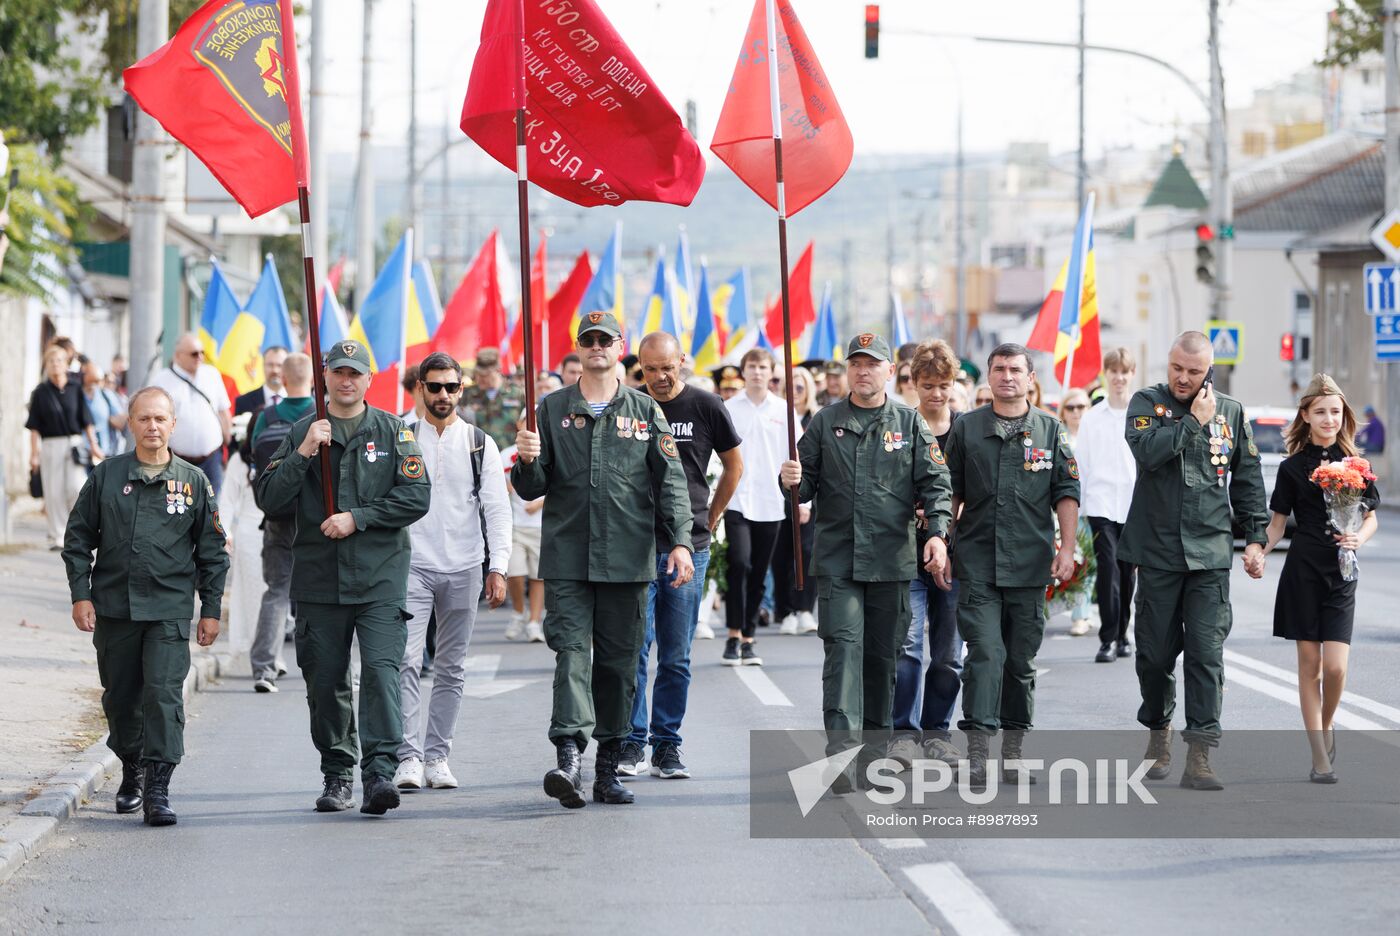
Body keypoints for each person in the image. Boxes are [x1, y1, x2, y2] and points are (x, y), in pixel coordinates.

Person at [512, 311, 693, 808]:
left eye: (605, 340)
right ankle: (568, 753)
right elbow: (533, 486)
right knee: (572, 652)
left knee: (618, 664)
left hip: (627, 557)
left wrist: (680, 541)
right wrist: (526, 459)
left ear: (620, 348)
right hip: (568, 557)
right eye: (587, 340)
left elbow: (670, 481)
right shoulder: (551, 409)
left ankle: (608, 766)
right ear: (578, 348)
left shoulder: (644, 410)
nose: (596, 347)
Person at [255, 339, 431, 816]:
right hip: (320, 578)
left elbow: (416, 497)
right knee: (325, 680)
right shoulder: (301, 432)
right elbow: (269, 498)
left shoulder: (394, 432)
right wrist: (305, 453)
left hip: (379, 577)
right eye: (338, 372)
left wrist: (359, 517)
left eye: (356, 372)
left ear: (369, 379)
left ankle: (378, 772)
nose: (347, 380)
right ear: (324, 377)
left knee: (379, 673)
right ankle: (337, 774)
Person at [780, 333, 951, 791]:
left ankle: (874, 756)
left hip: (892, 564)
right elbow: (803, 490)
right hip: (838, 563)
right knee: (843, 655)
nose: (863, 371)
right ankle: (840, 755)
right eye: (855, 363)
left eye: (872, 364)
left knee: (882, 661)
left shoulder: (910, 424)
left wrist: (937, 534)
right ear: (847, 371)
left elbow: (936, 484)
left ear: (889, 372)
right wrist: (790, 480)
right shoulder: (823, 423)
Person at [62, 387, 227, 826]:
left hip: (168, 611)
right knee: (121, 698)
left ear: (173, 425)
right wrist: (81, 595)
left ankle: (158, 786)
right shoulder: (106, 477)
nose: (152, 426)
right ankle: (131, 768)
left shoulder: (193, 482)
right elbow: (78, 541)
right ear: (131, 423)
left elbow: (212, 553)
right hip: (114, 609)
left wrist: (210, 609)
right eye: (143, 419)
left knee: (163, 695)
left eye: (160, 419)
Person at [1120, 331, 1268, 791]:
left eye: (1194, 371)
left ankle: (1200, 752)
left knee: (1206, 655)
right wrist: (1191, 423)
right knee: (1154, 655)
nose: (1183, 378)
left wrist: (1257, 537)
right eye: (1176, 369)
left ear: (1210, 371)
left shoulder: (1231, 411)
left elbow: (1246, 477)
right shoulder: (1146, 403)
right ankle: (1158, 729)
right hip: (1159, 554)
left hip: (1209, 555)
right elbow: (1148, 454)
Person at [941, 342, 1079, 789]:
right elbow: (951, 492)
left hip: (1029, 563)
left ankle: (1014, 752)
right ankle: (979, 750)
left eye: (1015, 369)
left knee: (1020, 661)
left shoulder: (1050, 431)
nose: (1007, 376)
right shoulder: (967, 429)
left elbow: (1067, 493)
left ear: (1030, 378)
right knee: (984, 655)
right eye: (998, 369)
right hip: (978, 560)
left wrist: (1066, 549)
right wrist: (942, 542)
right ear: (989, 376)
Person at [619, 332, 743, 779]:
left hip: (689, 549)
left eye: (667, 367)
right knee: (635, 649)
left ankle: (666, 745)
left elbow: (734, 466)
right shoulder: (628, 406)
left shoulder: (706, 406)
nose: (660, 377)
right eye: (650, 369)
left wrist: (708, 518)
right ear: (640, 368)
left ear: (682, 362)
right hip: (635, 547)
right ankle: (632, 743)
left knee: (676, 655)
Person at [393, 352, 511, 791]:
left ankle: (437, 756)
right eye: (434, 386)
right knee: (404, 661)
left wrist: (497, 567)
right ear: (420, 387)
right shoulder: (400, 436)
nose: (443, 395)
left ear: (461, 390)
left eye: (451, 387)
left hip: (464, 567)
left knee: (451, 668)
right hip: (410, 567)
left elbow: (497, 510)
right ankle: (408, 756)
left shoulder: (480, 443)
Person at [1261, 374, 1380, 783]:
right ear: (1306, 416)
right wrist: (1260, 549)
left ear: (1342, 415)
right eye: (1321, 412)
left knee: (1336, 669)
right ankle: (1319, 755)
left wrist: (1358, 538)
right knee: (1309, 665)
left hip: (1342, 572)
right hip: (1303, 571)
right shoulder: (1292, 468)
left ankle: (1326, 724)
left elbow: (1371, 517)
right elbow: (1277, 524)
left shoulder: (1356, 465)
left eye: (1335, 412)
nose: (1329, 419)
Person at [891, 339, 965, 767]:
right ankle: (904, 731)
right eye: (929, 384)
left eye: (945, 385)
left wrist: (948, 524)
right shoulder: (899, 427)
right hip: (906, 553)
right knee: (908, 645)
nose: (937, 393)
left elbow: (974, 490)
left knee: (949, 652)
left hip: (955, 554)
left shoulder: (965, 429)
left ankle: (939, 731)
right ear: (913, 383)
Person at [247, 352, 316, 692]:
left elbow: (253, 465)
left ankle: (264, 668)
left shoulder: (265, 417)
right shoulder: (322, 416)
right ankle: (331, 666)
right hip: (315, 518)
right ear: (313, 381)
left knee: (276, 591)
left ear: (283, 380)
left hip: (276, 517)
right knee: (325, 595)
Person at [722, 348, 791, 666]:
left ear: (771, 371)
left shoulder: (783, 409)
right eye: (752, 366)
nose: (758, 372)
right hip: (736, 499)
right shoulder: (729, 407)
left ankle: (749, 637)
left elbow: (796, 457)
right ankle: (733, 632)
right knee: (740, 564)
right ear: (744, 371)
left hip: (771, 501)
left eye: (763, 367)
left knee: (760, 572)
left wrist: (800, 499)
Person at [1076, 348, 1138, 664]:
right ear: (1106, 375)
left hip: (1132, 506)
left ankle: (1123, 634)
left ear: (1132, 374)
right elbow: (1082, 465)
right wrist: (1082, 510)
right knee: (1108, 569)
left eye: (1124, 372)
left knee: (1127, 575)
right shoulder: (1091, 418)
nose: (1119, 378)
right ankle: (1107, 640)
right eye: (1113, 371)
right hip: (1100, 505)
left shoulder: (1141, 416)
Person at [28, 346, 102, 548]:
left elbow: (87, 420)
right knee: (53, 493)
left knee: (77, 488)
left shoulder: (75, 388)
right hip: (51, 445)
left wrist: (94, 445)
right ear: (46, 365)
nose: (55, 364)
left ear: (66, 364)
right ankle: (57, 536)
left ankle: (77, 530)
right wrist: (34, 454)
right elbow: (34, 427)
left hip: (74, 444)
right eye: (51, 361)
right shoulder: (40, 392)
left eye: (59, 360)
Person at [149, 333, 232, 495]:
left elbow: (223, 410)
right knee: (178, 508)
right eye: (194, 353)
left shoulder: (212, 374)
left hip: (212, 458)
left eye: (202, 353)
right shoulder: (161, 380)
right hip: (176, 460)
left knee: (211, 509)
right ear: (178, 355)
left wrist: (228, 444)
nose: (200, 357)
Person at [774, 366, 818, 636]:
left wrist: (806, 503)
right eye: (791, 387)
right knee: (781, 555)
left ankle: (804, 609)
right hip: (776, 494)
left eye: (800, 387)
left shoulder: (817, 418)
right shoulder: (778, 413)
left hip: (806, 497)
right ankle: (786, 609)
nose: (795, 393)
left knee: (807, 551)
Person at [500, 411, 546, 643]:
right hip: (514, 525)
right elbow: (497, 486)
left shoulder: (549, 452)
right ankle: (519, 611)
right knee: (515, 573)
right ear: (519, 424)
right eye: (527, 420)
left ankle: (534, 622)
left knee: (538, 577)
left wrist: (539, 502)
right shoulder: (506, 455)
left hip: (541, 525)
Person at [1058, 387, 1096, 637]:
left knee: (1092, 563)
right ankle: (1079, 614)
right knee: (1078, 561)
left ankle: (1086, 611)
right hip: (1072, 510)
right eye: (1071, 407)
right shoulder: (1060, 437)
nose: (1076, 412)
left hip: (1098, 507)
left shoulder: (1096, 435)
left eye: (1081, 407)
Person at [458, 347, 524, 450]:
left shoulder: (517, 394)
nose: (480, 378)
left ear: (498, 370)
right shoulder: (468, 394)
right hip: (479, 455)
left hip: (509, 457)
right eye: (478, 374)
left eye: (485, 375)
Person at [82, 360, 128, 460]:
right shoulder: (77, 395)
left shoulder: (106, 395)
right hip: (83, 454)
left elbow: (120, 422)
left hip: (105, 454)